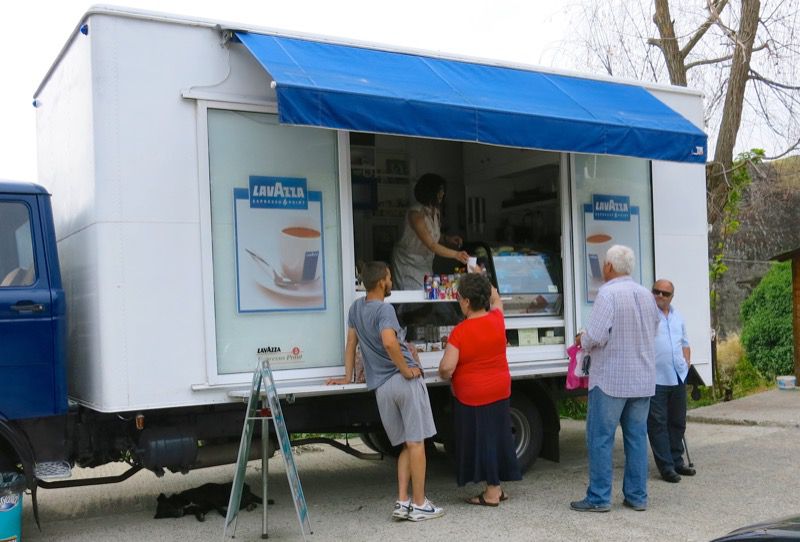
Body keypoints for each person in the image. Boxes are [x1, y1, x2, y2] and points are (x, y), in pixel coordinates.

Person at [326, 261, 444, 522]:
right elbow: (390, 342)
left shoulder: (356, 308)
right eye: (390, 278)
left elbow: (350, 343)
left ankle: (403, 502)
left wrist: (347, 376)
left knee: (406, 444)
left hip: (380, 387)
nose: (392, 282)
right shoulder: (385, 309)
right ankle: (421, 503)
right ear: (381, 282)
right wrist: (405, 369)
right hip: (403, 382)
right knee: (417, 444)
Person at [570, 245, 660, 513]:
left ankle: (599, 497)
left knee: (600, 438)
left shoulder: (607, 294)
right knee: (636, 438)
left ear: (609, 266)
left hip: (610, 379)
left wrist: (581, 338)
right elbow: (654, 328)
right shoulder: (646, 294)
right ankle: (637, 496)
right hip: (642, 379)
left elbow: (596, 336)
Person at [438, 273, 521, 506]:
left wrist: (443, 373)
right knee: (497, 439)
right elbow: (496, 299)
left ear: (465, 302)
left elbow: (447, 367)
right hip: (500, 390)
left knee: (482, 442)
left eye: (459, 298)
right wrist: (486, 283)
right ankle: (498, 488)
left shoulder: (460, 332)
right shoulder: (497, 319)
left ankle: (492, 493)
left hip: (473, 396)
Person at [648, 279, 695, 482]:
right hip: (656, 378)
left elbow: (685, 342)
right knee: (658, 423)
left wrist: (686, 360)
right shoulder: (647, 315)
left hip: (678, 375)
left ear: (671, 297)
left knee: (677, 421)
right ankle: (666, 467)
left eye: (665, 294)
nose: (659, 296)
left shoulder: (678, 317)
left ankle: (677, 462)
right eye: (656, 291)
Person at [392, 173, 469, 290]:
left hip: (424, 263)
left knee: (428, 294)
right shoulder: (415, 214)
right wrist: (456, 255)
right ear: (429, 191)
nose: (442, 194)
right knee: (414, 299)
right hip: (407, 263)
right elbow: (431, 244)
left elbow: (433, 235)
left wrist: (447, 239)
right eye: (440, 190)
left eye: (443, 190)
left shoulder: (434, 211)